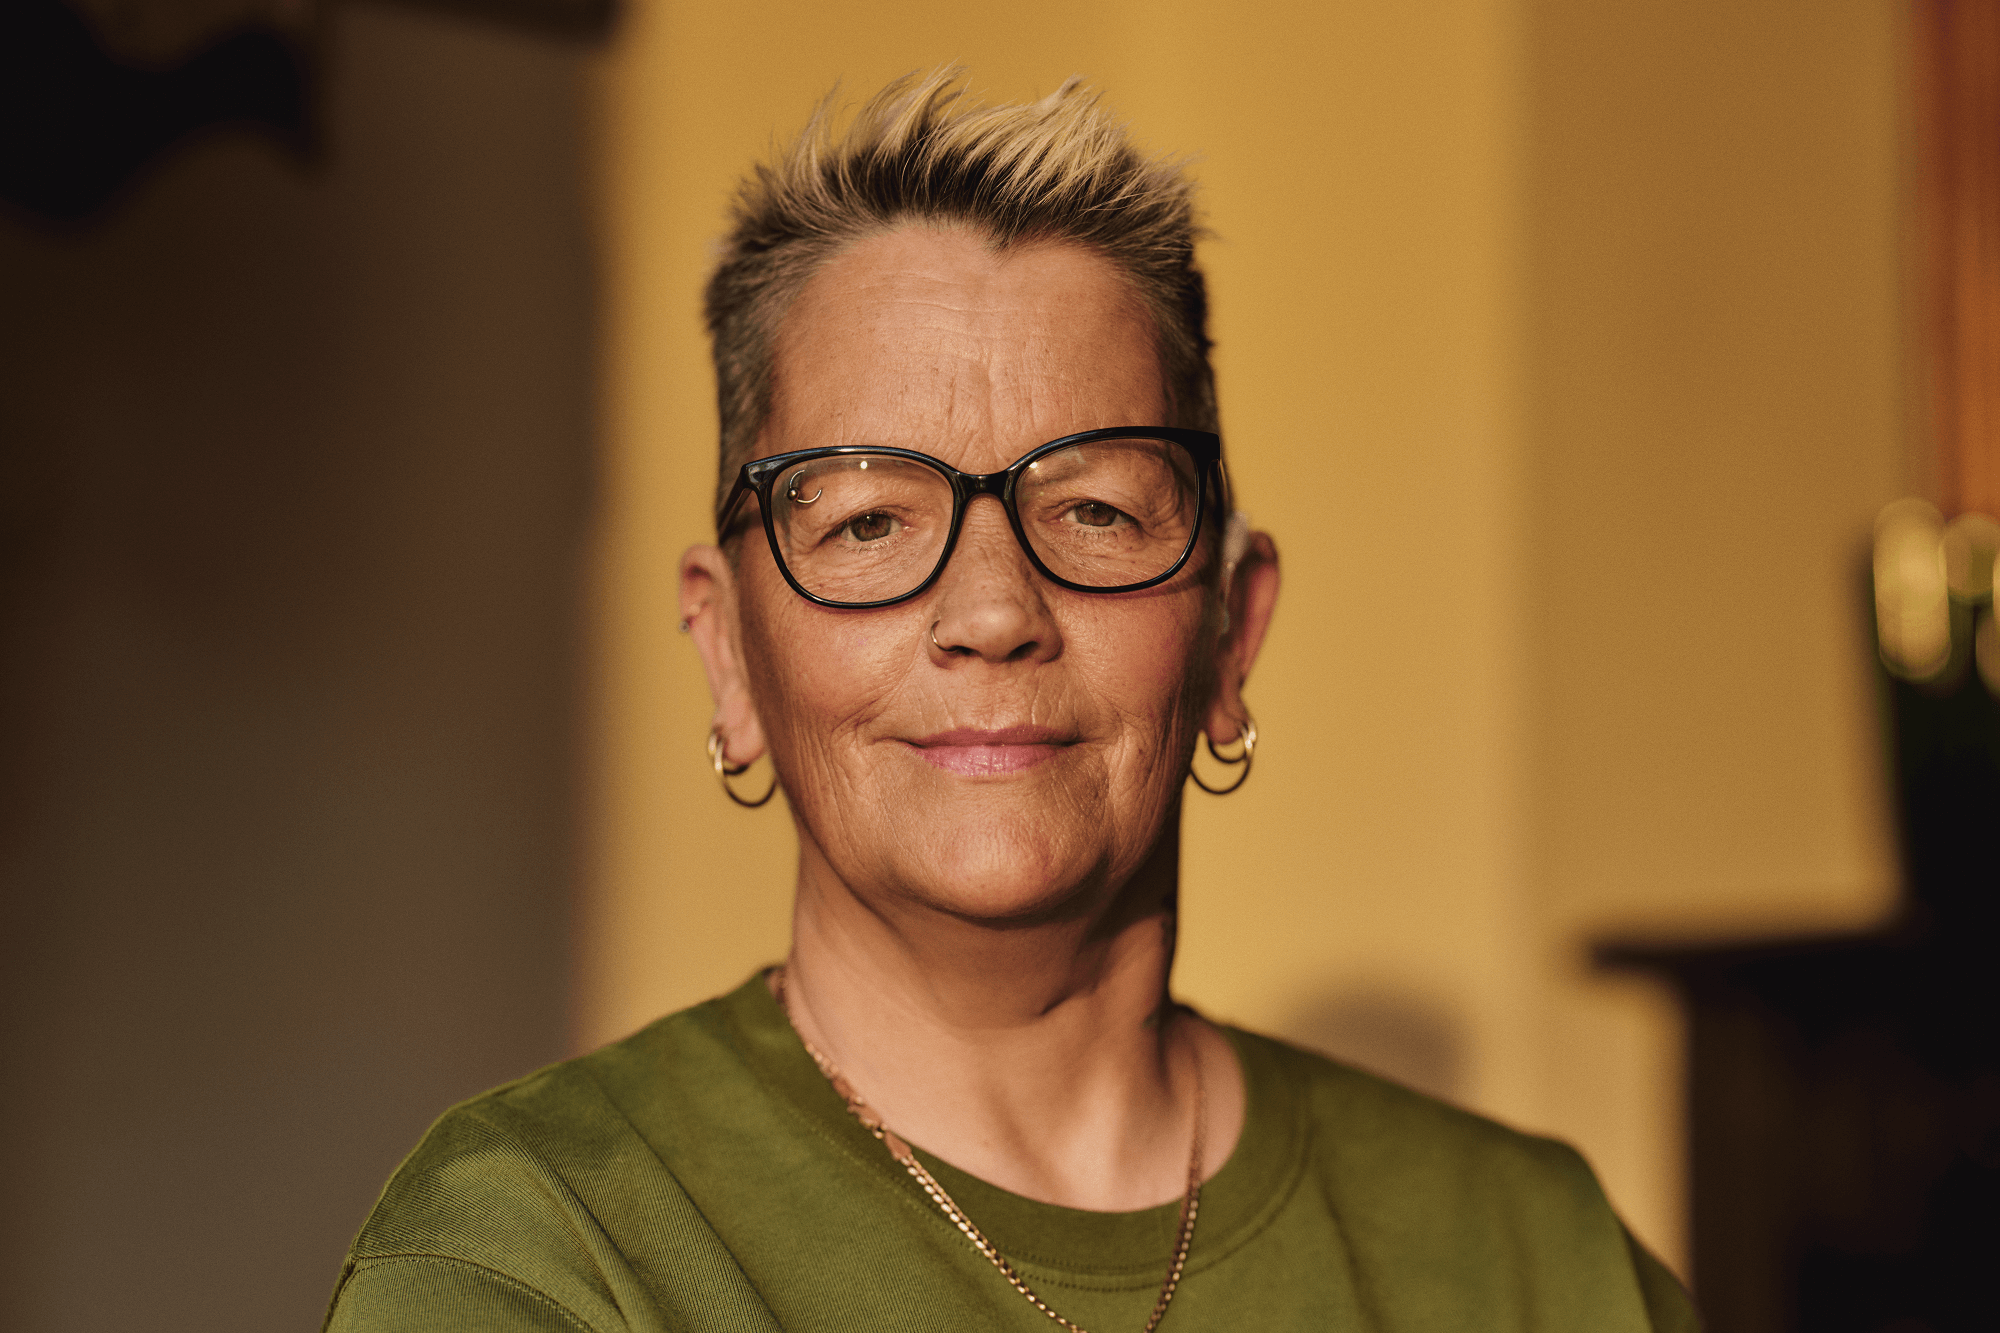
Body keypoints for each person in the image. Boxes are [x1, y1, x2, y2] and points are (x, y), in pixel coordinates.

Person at [322, 70, 1698, 1333]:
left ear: (1230, 635)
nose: (992, 612)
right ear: (729, 653)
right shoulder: (540, 1254)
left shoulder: (1538, 1262)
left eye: (1096, 510)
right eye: (867, 523)